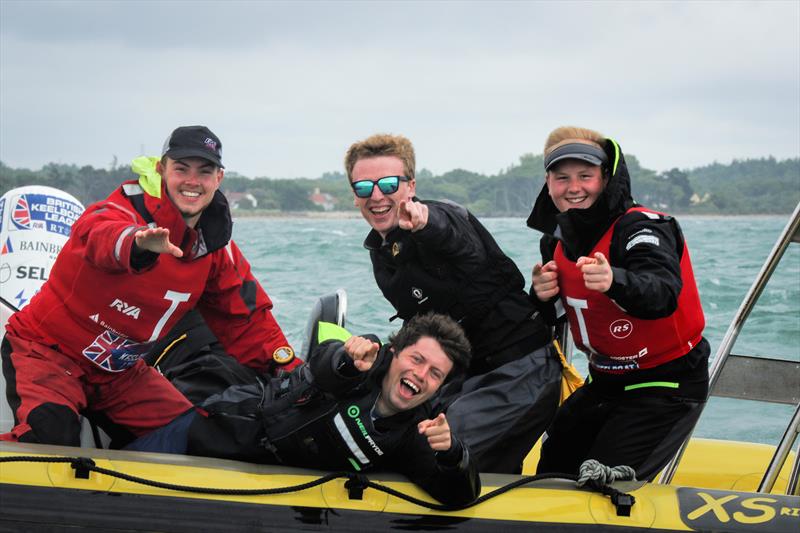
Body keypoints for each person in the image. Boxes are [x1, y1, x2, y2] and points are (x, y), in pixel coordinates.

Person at [1, 125, 299, 446]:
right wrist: (137, 246)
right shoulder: (124, 209)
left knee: (200, 438)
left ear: (218, 179)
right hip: (46, 353)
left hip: (120, 376)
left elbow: (247, 320)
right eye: (181, 169)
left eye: (204, 171)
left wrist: (293, 371)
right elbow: (99, 235)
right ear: (161, 170)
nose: (192, 181)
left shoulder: (215, 249)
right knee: (50, 437)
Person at [342, 133, 561, 473]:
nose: (377, 195)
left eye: (387, 183)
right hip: (461, 376)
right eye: (363, 187)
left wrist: (426, 223)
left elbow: (456, 239)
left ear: (410, 186)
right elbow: (420, 324)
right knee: (375, 429)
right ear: (354, 196)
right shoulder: (383, 253)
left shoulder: (441, 216)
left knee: (430, 456)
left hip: (519, 369)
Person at [128, 312, 481, 506]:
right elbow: (324, 362)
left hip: (265, 485)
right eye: (416, 359)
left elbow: (459, 495)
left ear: (440, 386)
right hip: (218, 429)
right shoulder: (362, 365)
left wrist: (451, 453)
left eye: (435, 373)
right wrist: (347, 357)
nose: (420, 375)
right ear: (394, 354)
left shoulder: (413, 433)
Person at [528, 126, 709, 481]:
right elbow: (560, 317)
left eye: (585, 176)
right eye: (561, 178)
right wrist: (541, 297)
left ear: (606, 178)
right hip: (606, 382)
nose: (574, 188)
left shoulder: (642, 227)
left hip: (665, 385)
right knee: (552, 468)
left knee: (599, 482)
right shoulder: (556, 242)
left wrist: (616, 282)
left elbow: (662, 290)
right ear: (548, 184)